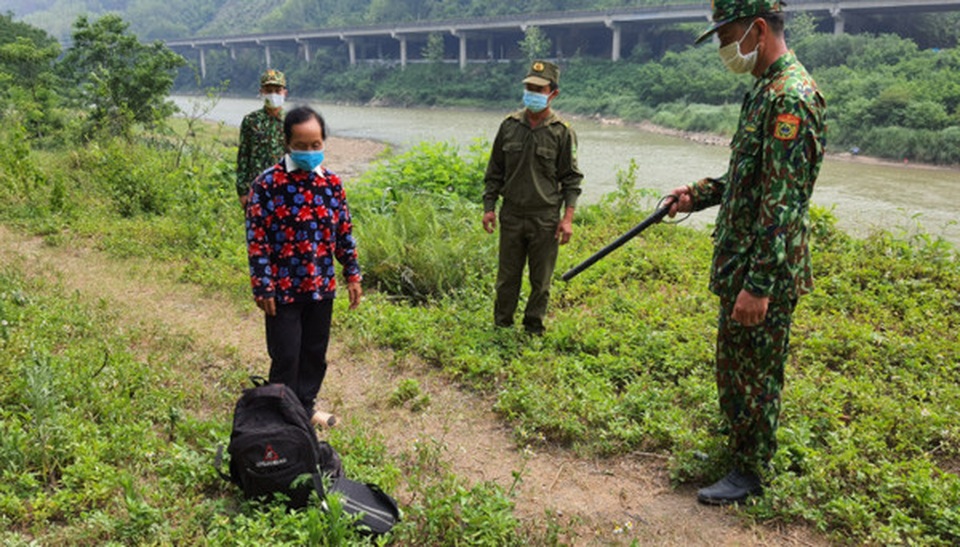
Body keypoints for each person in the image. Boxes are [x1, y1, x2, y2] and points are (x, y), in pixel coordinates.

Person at [666, 0, 826, 505]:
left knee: (755, 374)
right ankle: (740, 450)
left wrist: (758, 285)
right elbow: (747, 181)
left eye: (725, 34)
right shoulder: (764, 91)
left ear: (758, 29)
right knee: (735, 367)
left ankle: (750, 471)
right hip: (743, 262)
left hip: (765, 272)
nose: (721, 47)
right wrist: (697, 192)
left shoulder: (791, 99)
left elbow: (784, 205)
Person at [246, 105, 363, 417]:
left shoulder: (332, 185)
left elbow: (344, 232)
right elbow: (257, 240)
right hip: (282, 289)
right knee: (286, 354)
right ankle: (281, 415)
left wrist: (352, 274)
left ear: (324, 142)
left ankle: (305, 409)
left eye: (315, 145)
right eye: (301, 146)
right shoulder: (267, 185)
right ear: (287, 143)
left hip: (321, 286)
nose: (309, 152)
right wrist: (263, 286)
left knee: (314, 353)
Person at [482, 60, 584, 336]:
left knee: (541, 281)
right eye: (529, 87)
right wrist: (489, 208)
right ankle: (502, 327)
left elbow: (571, 179)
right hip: (512, 215)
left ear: (553, 93)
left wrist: (568, 219)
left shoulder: (562, 132)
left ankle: (533, 329)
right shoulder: (509, 126)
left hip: (545, 219)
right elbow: (495, 172)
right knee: (507, 279)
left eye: (539, 88)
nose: (532, 93)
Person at [236, 69, 288, 207]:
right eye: (268, 90)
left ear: (285, 93)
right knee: (257, 227)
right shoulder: (251, 121)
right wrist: (242, 191)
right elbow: (243, 157)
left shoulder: (292, 121)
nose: (273, 95)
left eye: (277, 91)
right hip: (257, 188)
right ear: (261, 93)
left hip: (286, 188)